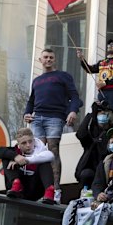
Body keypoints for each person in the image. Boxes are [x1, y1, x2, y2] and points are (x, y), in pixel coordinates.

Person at [24, 48, 81, 203]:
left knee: (53, 150)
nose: (48, 60)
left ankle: (56, 190)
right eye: (45, 57)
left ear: (54, 60)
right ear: (40, 60)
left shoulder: (63, 76)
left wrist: (73, 111)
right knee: (38, 154)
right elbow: (31, 101)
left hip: (55, 117)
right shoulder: (36, 81)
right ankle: (42, 190)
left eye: (51, 57)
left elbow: (74, 96)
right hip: (37, 119)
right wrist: (26, 113)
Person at [0, 127, 55, 204]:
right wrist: (15, 157)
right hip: (17, 189)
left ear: (34, 140)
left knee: (45, 162)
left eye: (30, 141)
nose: (28, 145)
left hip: (35, 189)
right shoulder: (15, 150)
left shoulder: (40, 150)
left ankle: (49, 191)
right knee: (7, 156)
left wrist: (27, 160)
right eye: (24, 143)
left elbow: (50, 155)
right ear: (18, 144)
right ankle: (16, 184)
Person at [74, 101, 113, 190]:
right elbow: (80, 134)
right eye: (99, 114)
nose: (101, 116)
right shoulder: (91, 134)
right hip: (90, 170)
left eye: (103, 114)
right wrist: (91, 115)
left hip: (107, 169)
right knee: (86, 174)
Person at [77, 39, 113, 114]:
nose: (110, 46)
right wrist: (82, 59)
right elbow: (90, 69)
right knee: (100, 113)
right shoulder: (102, 62)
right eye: (109, 45)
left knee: (111, 113)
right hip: (101, 92)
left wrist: (105, 83)